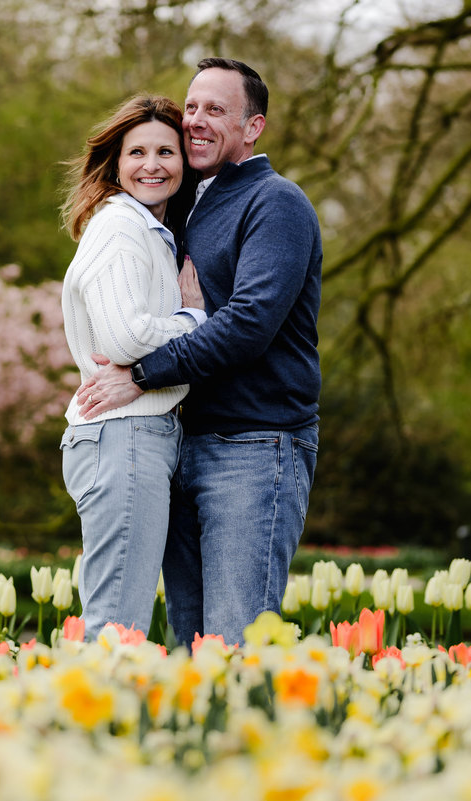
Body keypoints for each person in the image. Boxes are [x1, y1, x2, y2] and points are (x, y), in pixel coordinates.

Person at [77, 59, 322, 647]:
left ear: (254, 126)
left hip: (255, 446)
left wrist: (142, 374)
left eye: (215, 109)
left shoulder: (276, 202)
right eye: (191, 107)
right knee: (190, 647)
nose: (196, 121)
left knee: (236, 644)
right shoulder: (187, 207)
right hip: (183, 442)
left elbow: (248, 324)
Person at [59, 95, 206, 640]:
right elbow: (125, 337)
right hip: (123, 435)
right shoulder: (120, 225)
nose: (152, 164)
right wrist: (195, 319)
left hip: (139, 432)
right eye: (137, 152)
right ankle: (90, 722)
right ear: (115, 165)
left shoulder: (151, 231)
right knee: (115, 624)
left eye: (166, 151)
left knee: (122, 619)